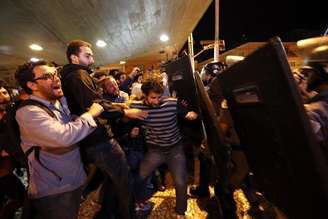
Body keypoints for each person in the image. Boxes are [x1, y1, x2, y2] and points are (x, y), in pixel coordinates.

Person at [60, 40, 148, 219]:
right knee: (124, 180)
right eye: (87, 55)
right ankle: (129, 215)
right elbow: (96, 105)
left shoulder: (78, 75)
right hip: (99, 140)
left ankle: (107, 212)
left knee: (112, 179)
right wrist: (125, 110)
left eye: (91, 55)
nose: (92, 59)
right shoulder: (78, 75)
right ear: (74, 57)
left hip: (94, 140)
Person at [14, 61, 104, 219]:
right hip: (54, 190)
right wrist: (90, 114)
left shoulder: (56, 102)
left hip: (71, 181)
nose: (56, 78)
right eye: (48, 76)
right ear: (32, 85)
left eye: (56, 73)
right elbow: (63, 137)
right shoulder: (29, 111)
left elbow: (69, 124)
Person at [130, 77, 198, 218]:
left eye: (159, 97)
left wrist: (191, 114)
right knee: (140, 176)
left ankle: (180, 211)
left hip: (175, 149)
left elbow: (187, 113)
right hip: (155, 151)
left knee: (180, 181)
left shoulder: (172, 104)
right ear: (145, 95)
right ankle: (139, 202)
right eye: (153, 98)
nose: (157, 101)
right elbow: (122, 108)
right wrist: (133, 126)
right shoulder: (137, 107)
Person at [0, 80, 26, 219]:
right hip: (2, 172)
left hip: (8, 167)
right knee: (21, 196)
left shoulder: (8, 114)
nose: (2, 97)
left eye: (4, 92)